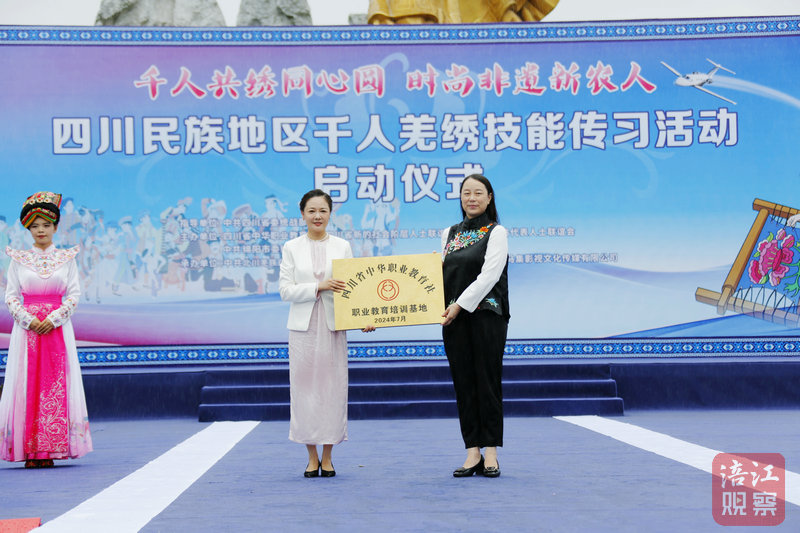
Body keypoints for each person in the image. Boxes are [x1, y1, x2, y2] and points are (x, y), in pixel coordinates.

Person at [279, 189, 373, 478]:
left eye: (323, 211)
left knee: (332, 389)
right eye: (312, 211)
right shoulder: (291, 247)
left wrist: (363, 317)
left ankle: (328, 456)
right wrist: (318, 286)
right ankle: (311, 457)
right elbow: (285, 290)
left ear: (331, 214)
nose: (317, 216)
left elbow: (353, 288)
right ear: (302, 214)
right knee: (305, 390)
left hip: (333, 325)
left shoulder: (342, 246)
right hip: (304, 328)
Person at [0, 192, 93, 468]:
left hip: (57, 329)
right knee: (26, 383)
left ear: (55, 227)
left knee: (55, 384)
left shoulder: (67, 258)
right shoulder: (18, 259)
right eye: (35, 226)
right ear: (28, 229)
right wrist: (28, 319)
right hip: (26, 330)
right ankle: (29, 451)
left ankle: (51, 449)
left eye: (46, 225)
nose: (41, 230)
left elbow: (73, 295)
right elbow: (11, 296)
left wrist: (54, 318)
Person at [440, 174, 509, 478]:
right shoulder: (449, 233)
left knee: (487, 382)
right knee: (463, 384)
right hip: (453, 319)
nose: (471, 198)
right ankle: (472, 452)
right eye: (466, 192)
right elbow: (438, 275)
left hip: (487, 316)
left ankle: (491, 452)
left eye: (478, 193)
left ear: (489, 197)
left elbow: (489, 276)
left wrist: (459, 304)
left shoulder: (496, 232)